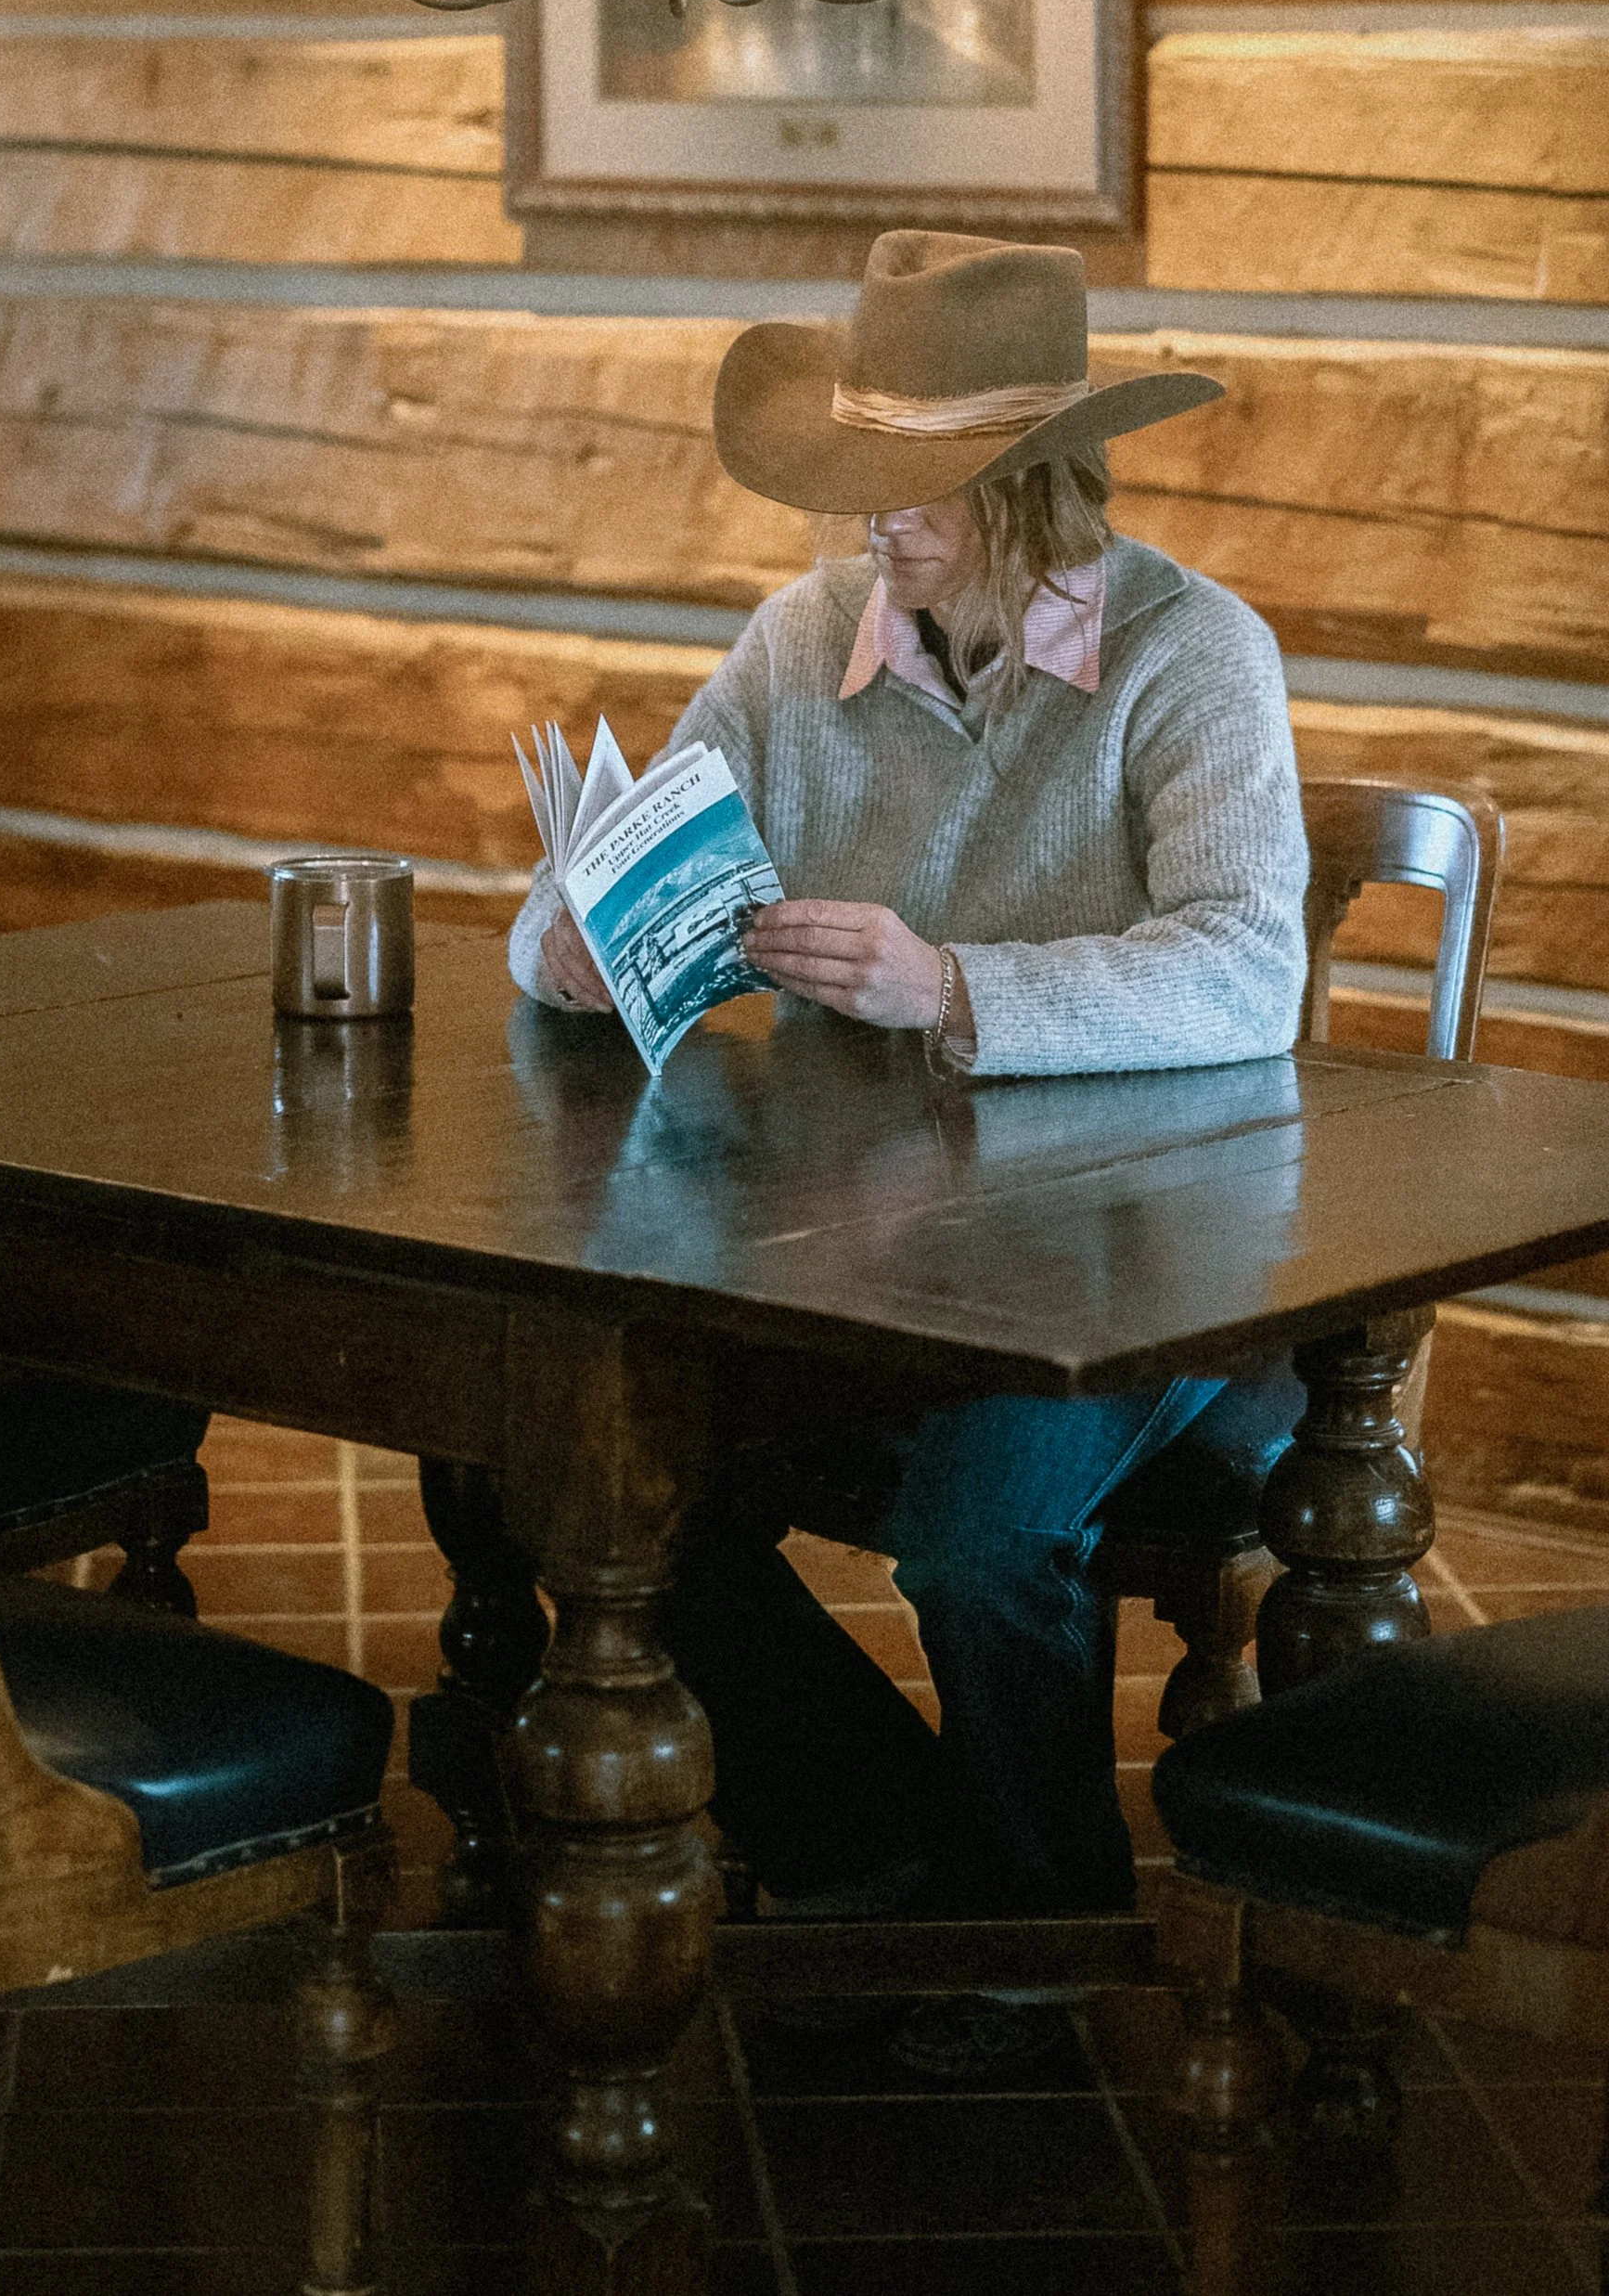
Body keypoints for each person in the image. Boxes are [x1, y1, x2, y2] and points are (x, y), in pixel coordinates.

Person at [508, 228, 1311, 1981]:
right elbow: (627, 851)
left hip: (1148, 1268)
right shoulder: (803, 645)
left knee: (974, 1531)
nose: (877, 517)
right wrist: (567, 946)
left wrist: (949, 986)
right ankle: (876, 1845)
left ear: (1037, 480)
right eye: (861, 476)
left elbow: (1253, 971)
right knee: (597, 1470)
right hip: (854, 1251)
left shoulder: (1197, 655)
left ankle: (1039, 1923)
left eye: (921, 484)